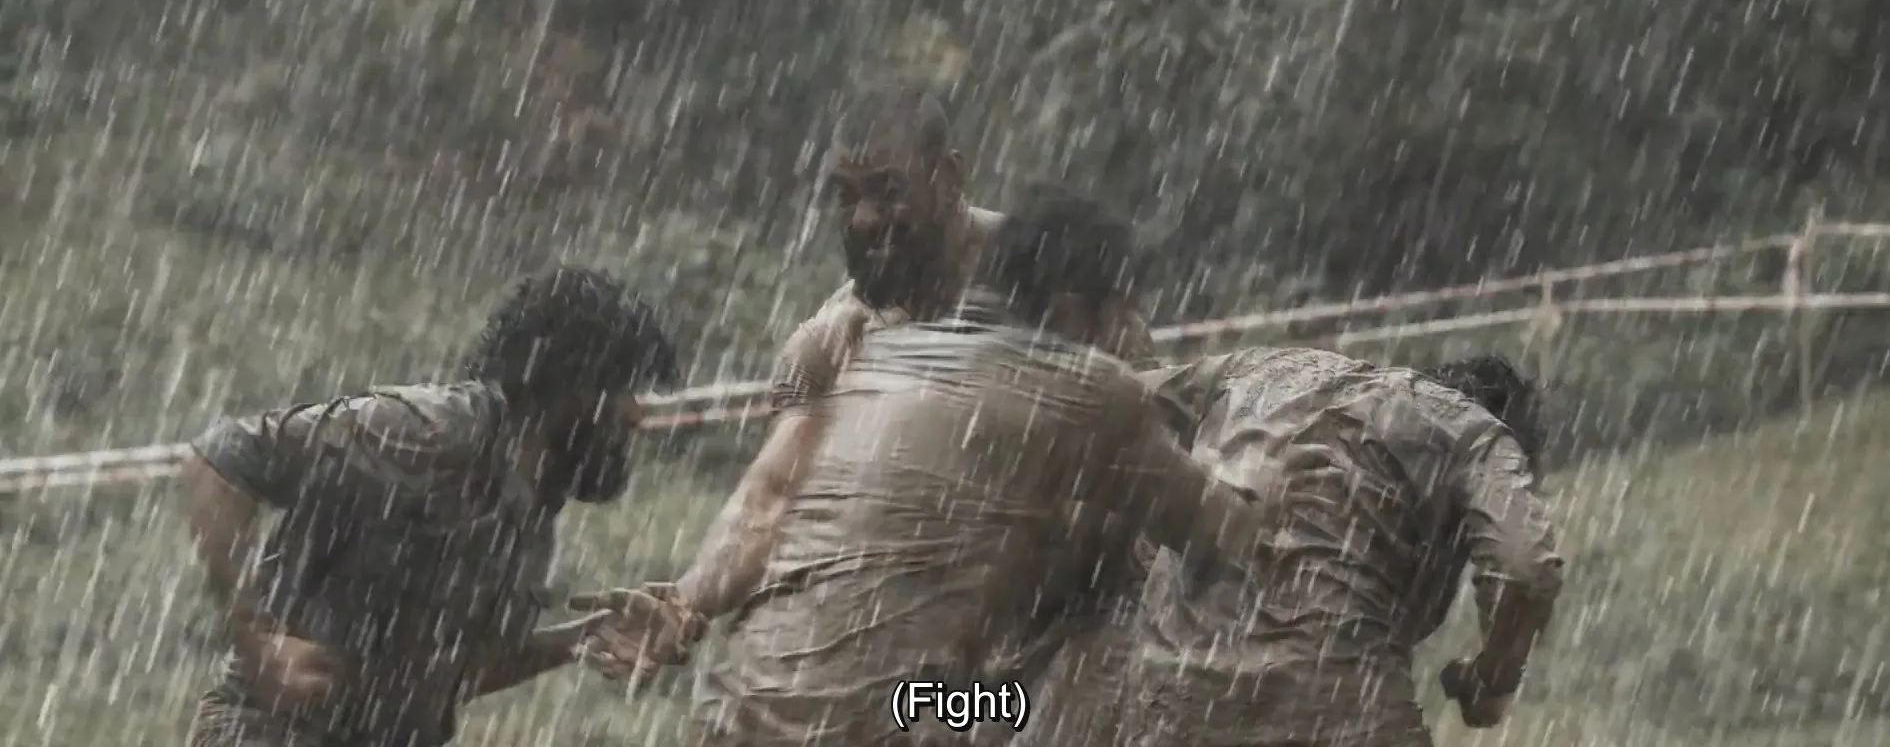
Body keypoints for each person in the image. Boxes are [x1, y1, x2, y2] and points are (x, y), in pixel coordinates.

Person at [657, 188, 1265, 746]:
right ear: (1076, 311)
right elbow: (1219, 532)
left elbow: (770, 502)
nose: (1124, 335)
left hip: (737, 704)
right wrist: (1257, 462)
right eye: (1120, 317)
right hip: (888, 717)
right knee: (1040, 703)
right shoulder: (1087, 389)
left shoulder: (876, 355)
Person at [664, 90, 1159, 633]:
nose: (864, 219)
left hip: (1094, 621)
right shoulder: (832, 346)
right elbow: (770, 501)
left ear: (949, 178)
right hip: (923, 645)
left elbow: (1152, 458)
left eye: (889, 192)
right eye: (845, 197)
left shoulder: (1058, 282)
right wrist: (682, 605)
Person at [179, 267, 703, 747]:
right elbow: (220, 457)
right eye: (624, 389)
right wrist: (256, 641)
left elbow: (455, 671)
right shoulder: (425, 433)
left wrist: (583, 637)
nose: (635, 415)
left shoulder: (534, 505)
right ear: (573, 384)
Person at [1109, 348, 1562, 747]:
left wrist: (1171, 513)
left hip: (1176, 696)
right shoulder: (1476, 434)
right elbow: (1527, 571)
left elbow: (1104, 402)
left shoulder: (1258, 369)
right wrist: (1494, 678)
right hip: (1338, 706)